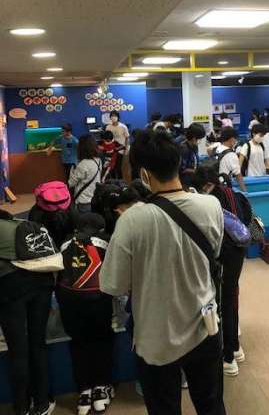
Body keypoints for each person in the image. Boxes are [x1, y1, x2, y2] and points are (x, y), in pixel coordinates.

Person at [100, 130, 226, 415]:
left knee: (164, 408)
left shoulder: (132, 220)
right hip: (205, 326)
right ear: (178, 162)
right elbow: (214, 252)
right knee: (211, 405)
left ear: (144, 174)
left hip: (156, 337)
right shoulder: (211, 205)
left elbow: (113, 285)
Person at [190, 167, 246, 378]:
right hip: (238, 252)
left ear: (205, 185)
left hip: (219, 255)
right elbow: (245, 219)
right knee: (231, 298)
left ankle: (227, 357)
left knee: (218, 303)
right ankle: (235, 348)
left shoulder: (204, 201)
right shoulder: (233, 193)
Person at [56, 213, 114, 415]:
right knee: (102, 340)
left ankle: (84, 391)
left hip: (69, 301)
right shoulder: (106, 240)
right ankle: (102, 388)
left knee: (79, 343)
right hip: (98, 300)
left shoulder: (65, 242)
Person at [0, 212, 56, 415]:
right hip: (42, 281)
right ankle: (42, 402)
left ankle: (21, 406)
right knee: (37, 343)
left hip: (9, 287)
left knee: (17, 348)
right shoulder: (21, 223)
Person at [68, 135, 102, 213]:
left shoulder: (83, 164)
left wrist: (72, 170)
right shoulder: (98, 160)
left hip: (83, 200)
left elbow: (71, 183)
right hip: (94, 198)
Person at [216, 127, 247, 192]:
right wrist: (244, 191)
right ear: (232, 139)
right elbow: (238, 175)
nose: (236, 141)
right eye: (236, 139)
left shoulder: (217, 149)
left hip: (215, 184)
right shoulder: (231, 154)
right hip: (224, 187)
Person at [179, 123, 206, 188]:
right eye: (199, 139)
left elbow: (196, 160)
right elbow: (181, 169)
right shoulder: (184, 148)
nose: (199, 141)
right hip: (185, 181)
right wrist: (195, 171)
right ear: (194, 138)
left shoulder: (194, 146)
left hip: (193, 178)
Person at [105, 111, 129, 179]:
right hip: (111, 150)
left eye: (115, 116)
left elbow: (127, 138)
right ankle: (113, 182)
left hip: (120, 150)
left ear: (118, 117)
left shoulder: (123, 126)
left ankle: (120, 181)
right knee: (111, 168)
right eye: (112, 116)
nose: (113, 117)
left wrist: (126, 149)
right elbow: (106, 138)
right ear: (110, 117)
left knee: (118, 168)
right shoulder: (108, 127)